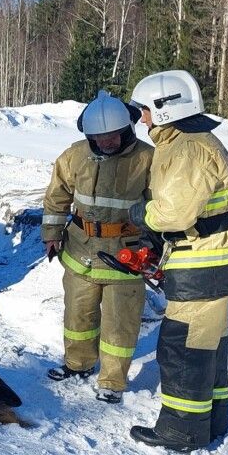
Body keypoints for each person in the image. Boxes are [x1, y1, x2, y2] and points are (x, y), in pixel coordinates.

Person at [126, 70, 228, 453]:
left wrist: (142, 215)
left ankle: (181, 432)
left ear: (165, 110)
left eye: (145, 110)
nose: (142, 118)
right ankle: (210, 423)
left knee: (182, 346)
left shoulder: (188, 150)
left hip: (205, 260)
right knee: (206, 346)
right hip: (211, 256)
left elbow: (175, 214)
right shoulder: (187, 142)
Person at [41, 91, 153, 404]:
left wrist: (153, 246)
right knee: (78, 316)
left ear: (127, 131)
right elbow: (57, 196)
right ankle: (78, 364)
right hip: (80, 251)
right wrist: (51, 233)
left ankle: (112, 381)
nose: (105, 143)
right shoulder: (75, 155)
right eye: (98, 138)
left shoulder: (147, 159)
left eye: (112, 137)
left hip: (125, 255)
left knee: (120, 324)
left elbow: (162, 207)